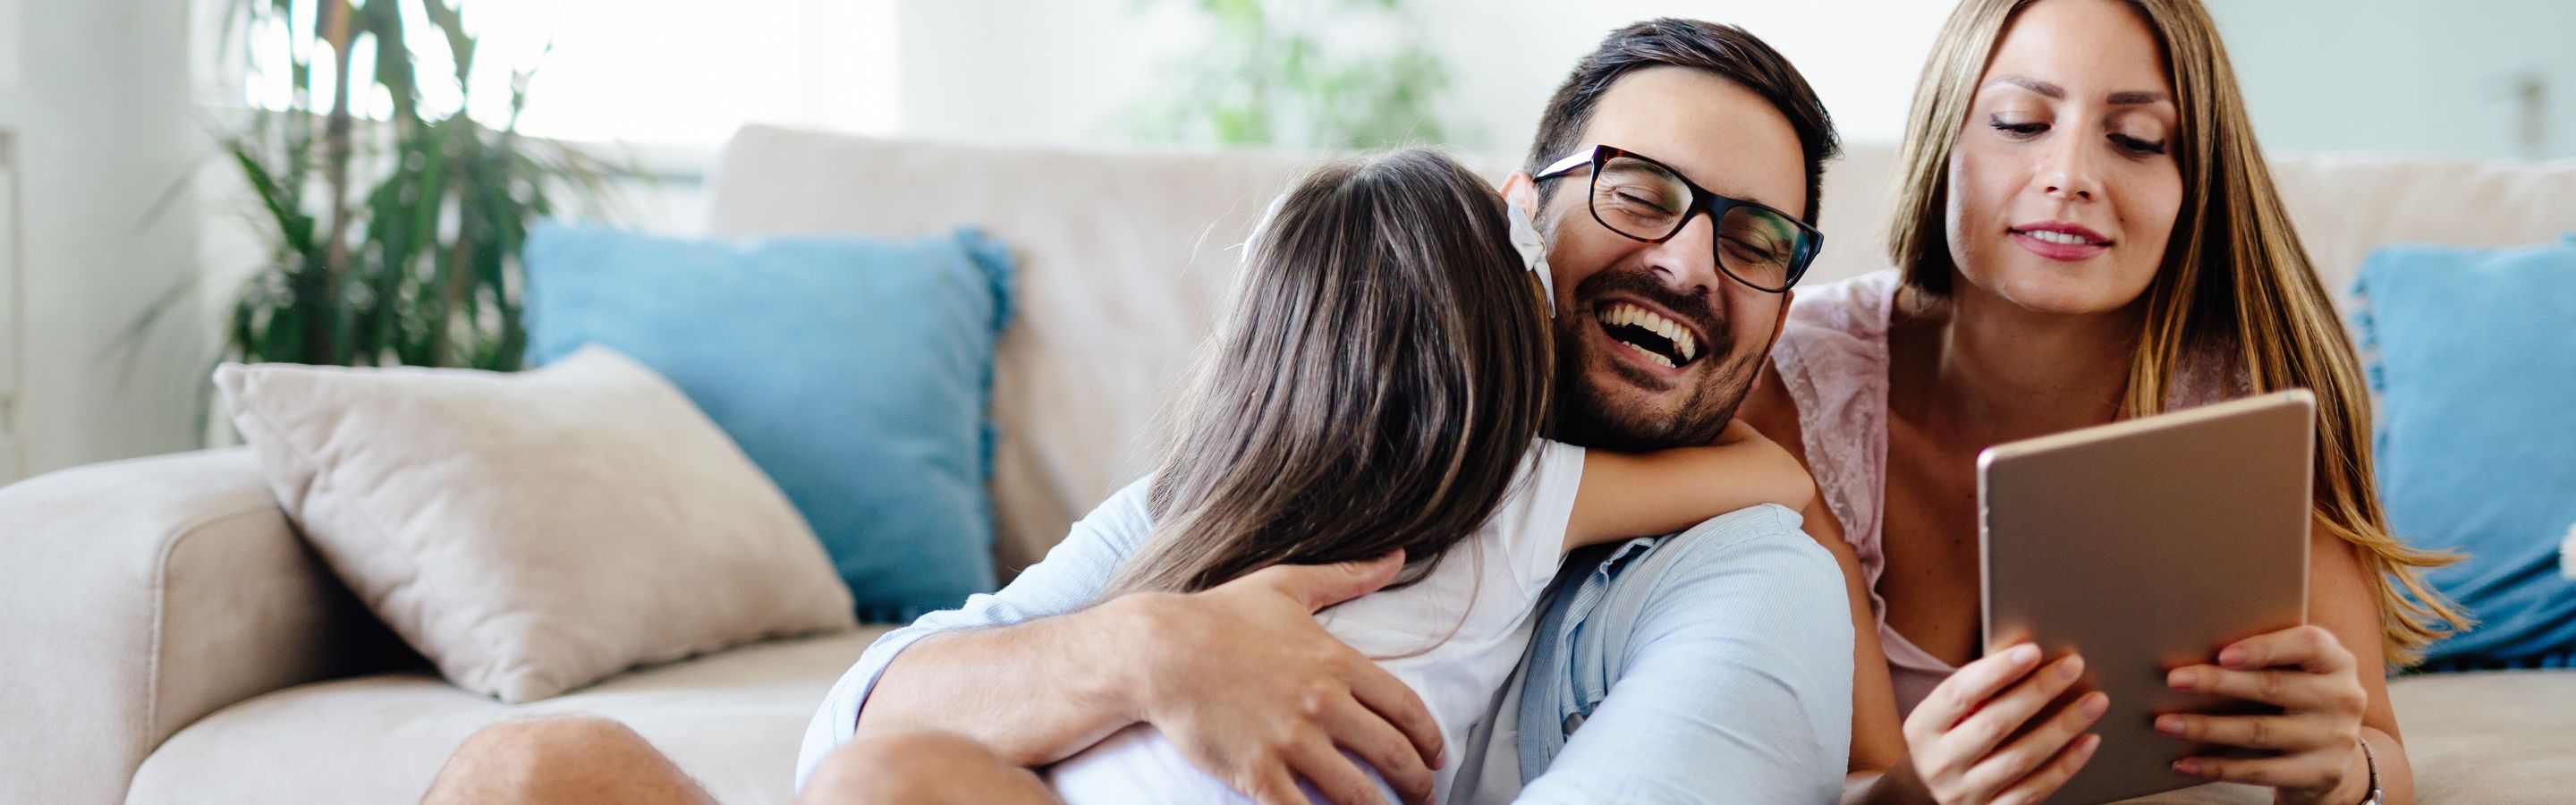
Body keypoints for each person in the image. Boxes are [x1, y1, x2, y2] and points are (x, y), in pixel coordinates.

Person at [425, 18, 1859, 805]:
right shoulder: (1263, 495)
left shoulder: (1741, 580)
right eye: (1642, 191)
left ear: (1790, 300)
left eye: (1755, 244)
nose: (1684, 261)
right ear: (1517, 218)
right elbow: (859, 723)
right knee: (534, 766)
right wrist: (1152, 647)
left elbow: (1768, 502)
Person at [1734, 1, 2471, 803]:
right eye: (2020, 123)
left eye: (2137, 140)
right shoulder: (1796, 386)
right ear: (1944, 140)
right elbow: (1852, 784)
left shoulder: (2250, 403)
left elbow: (2379, 761)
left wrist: (2338, 769)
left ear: (2195, 182)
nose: (2070, 175)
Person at [1046, 147, 1818, 804]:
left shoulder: (1204, 500)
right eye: (1638, 195)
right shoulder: (1518, 495)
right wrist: (1689, 394)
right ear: (1514, 343)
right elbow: (1779, 477)